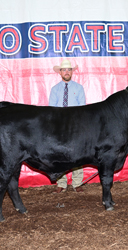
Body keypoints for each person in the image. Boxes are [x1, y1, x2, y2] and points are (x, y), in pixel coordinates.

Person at [49, 59, 86, 193]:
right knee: (59, 153)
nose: (66, 72)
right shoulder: (55, 90)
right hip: (59, 125)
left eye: (69, 70)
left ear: (72, 72)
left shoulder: (78, 88)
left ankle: (77, 183)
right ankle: (61, 182)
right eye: (64, 70)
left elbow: (83, 109)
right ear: (60, 72)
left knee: (78, 153)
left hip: (75, 125)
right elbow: (52, 110)